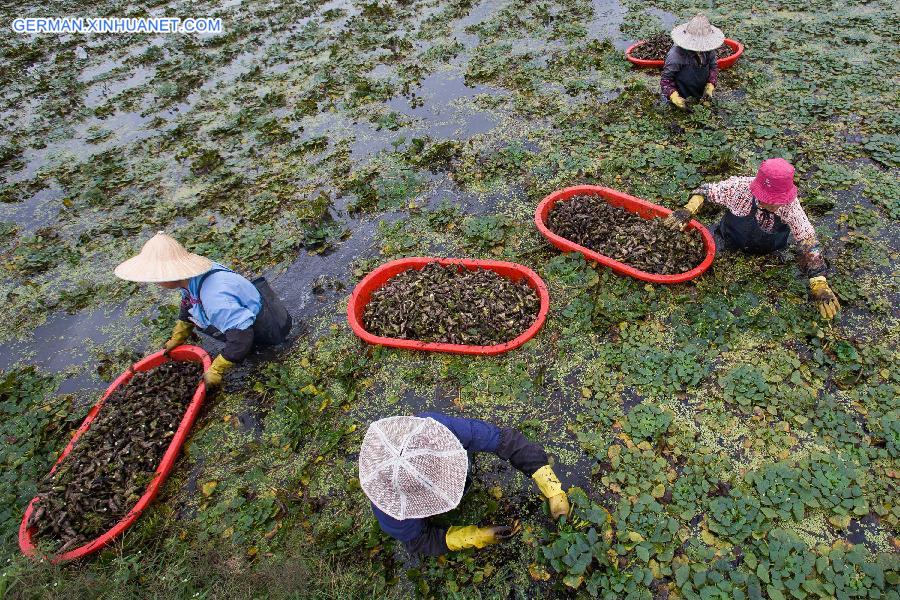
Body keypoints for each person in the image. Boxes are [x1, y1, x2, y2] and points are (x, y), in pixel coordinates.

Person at [358, 413, 571, 556]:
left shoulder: (440, 429)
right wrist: (473, 536)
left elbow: (504, 440)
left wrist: (552, 488)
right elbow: (419, 540)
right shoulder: (391, 513)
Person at [665, 158, 840, 319]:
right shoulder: (738, 189)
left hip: (770, 251)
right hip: (728, 238)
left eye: (777, 201)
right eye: (767, 200)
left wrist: (819, 281)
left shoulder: (790, 206)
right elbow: (704, 191)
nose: (772, 205)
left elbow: (808, 239)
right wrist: (688, 209)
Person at [114, 232, 292, 386]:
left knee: (266, 354)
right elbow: (189, 303)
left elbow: (241, 338)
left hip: (266, 327)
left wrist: (217, 369)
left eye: (156, 276)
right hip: (245, 316)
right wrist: (179, 336)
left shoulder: (214, 297)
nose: (155, 281)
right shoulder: (190, 280)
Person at [661, 14, 722, 109]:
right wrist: (674, 96)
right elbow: (666, 81)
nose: (701, 47)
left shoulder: (709, 50)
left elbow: (713, 67)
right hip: (682, 95)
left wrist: (711, 84)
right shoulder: (676, 56)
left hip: (701, 93)